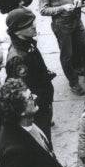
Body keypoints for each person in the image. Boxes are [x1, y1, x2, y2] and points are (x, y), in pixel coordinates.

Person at [4, 7, 54, 137]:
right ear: (16, 32)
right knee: (42, 137)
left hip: (44, 99)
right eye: (28, 25)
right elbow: (21, 89)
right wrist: (35, 106)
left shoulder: (27, 43)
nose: (34, 26)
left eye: (33, 21)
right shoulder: (18, 58)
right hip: (37, 108)